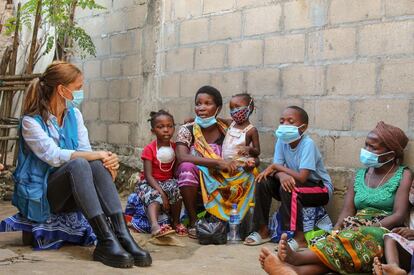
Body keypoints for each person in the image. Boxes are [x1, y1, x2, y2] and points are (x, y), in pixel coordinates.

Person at [4, 61, 151, 268]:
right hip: (44, 196)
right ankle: (105, 239)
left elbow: (86, 150)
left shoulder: (75, 115)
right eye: (78, 88)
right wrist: (97, 155)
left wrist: (107, 161)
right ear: (62, 90)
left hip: (73, 192)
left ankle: (122, 235)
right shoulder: (31, 122)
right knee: (80, 164)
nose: (81, 92)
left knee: (93, 164)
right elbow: (54, 156)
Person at [260, 121, 412, 274]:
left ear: (390, 154)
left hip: (382, 229)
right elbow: (347, 211)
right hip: (355, 226)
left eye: (373, 147)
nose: (367, 150)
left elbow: (399, 215)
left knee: (351, 240)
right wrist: (337, 229)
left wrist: (370, 227)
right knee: (336, 243)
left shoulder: (403, 175)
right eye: (366, 145)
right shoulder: (360, 175)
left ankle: (296, 260)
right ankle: (293, 271)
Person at [175, 86, 258, 238]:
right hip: (198, 178)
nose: (201, 108)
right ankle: (194, 222)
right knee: (186, 168)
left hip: (225, 176)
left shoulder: (226, 128)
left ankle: (232, 221)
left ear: (218, 108)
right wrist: (217, 163)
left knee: (250, 173)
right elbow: (182, 156)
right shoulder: (187, 129)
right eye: (198, 103)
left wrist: (249, 160)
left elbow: (247, 147)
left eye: (207, 103)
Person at [245, 106, 333, 247]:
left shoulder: (307, 144)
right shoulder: (281, 141)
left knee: (290, 188)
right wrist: (281, 175)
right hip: (295, 182)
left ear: (303, 128)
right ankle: (262, 230)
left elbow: (302, 177)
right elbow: (277, 170)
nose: (285, 125)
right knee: (263, 181)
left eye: (290, 122)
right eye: (282, 121)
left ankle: (299, 237)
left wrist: (277, 168)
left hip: (318, 189)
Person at [135, 110, 186, 237]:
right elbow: (148, 175)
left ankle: (176, 222)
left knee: (175, 188)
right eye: (160, 127)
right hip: (150, 182)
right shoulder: (149, 149)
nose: (166, 130)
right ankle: (154, 225)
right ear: (153, 131)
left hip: (167, 181)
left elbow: (175, 172)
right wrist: (162, 194)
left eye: (170, 126)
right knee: (154, 195)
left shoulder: (176, 148)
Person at [372, 180, 414, 275]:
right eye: (413, 187)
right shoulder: (409, 212)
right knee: (389, 237)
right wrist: (400, 233)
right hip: (410, 249)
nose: (413, 192)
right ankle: (393, 267)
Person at [222, 93, 260, 167]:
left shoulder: (252, 130)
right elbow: (216, 120)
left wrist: (249, 149)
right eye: (231, 108)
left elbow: (257, 151)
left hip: (240, 165)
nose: (234, 111)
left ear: (250, 108)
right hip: (225, 164)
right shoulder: (230, 123)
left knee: (255, 161)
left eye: (237, 107)